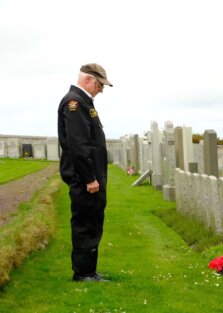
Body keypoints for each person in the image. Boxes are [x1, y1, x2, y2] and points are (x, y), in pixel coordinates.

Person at [57, 63, 113, 282]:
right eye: (100, 85)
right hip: (84, 179)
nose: (101, 90)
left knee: (93, 222)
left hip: (92, 177)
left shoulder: (83, 102)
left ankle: (90, 270)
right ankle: (83, 273)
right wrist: (89, 178)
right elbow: (79, 145)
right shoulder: (75, 103)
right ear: (88, 79)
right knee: (85, 224)